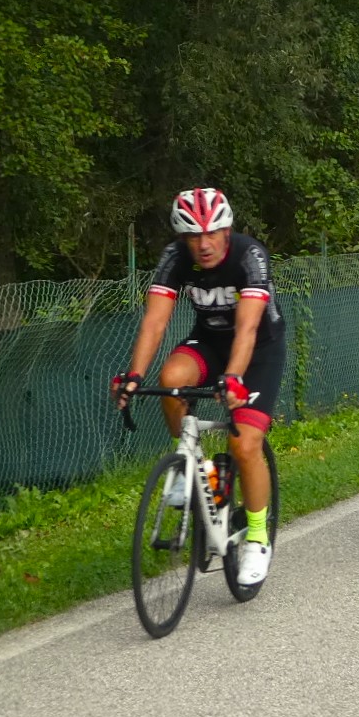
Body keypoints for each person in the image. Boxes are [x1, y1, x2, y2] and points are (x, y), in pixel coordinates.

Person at [112, 188, 283, 587]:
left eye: (210, 233)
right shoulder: (175, 259)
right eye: (192, 236)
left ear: (227, 229)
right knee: (170, 381)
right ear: (181, 238)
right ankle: (189, 461)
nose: (202, 245)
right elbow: (155, 322)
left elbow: (248, 327)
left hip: (258, 350)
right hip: (208, 342)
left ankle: (257, 536)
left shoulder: (249, 256)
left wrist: (235, 378)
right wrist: (133, 375)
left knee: (244, 444)